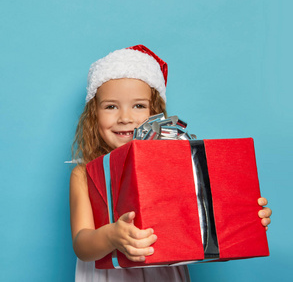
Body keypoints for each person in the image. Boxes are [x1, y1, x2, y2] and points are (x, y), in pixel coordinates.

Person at [70, 45, 272, 282]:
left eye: (139, 105)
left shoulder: (174, 165)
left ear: (155, 113)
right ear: (94, 113)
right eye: (111, 106)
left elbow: (196, 235)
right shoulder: (84, 174)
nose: (125, 117)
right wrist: (112, 236)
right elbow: (82, 246)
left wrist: (245, 221)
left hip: (164, 274)